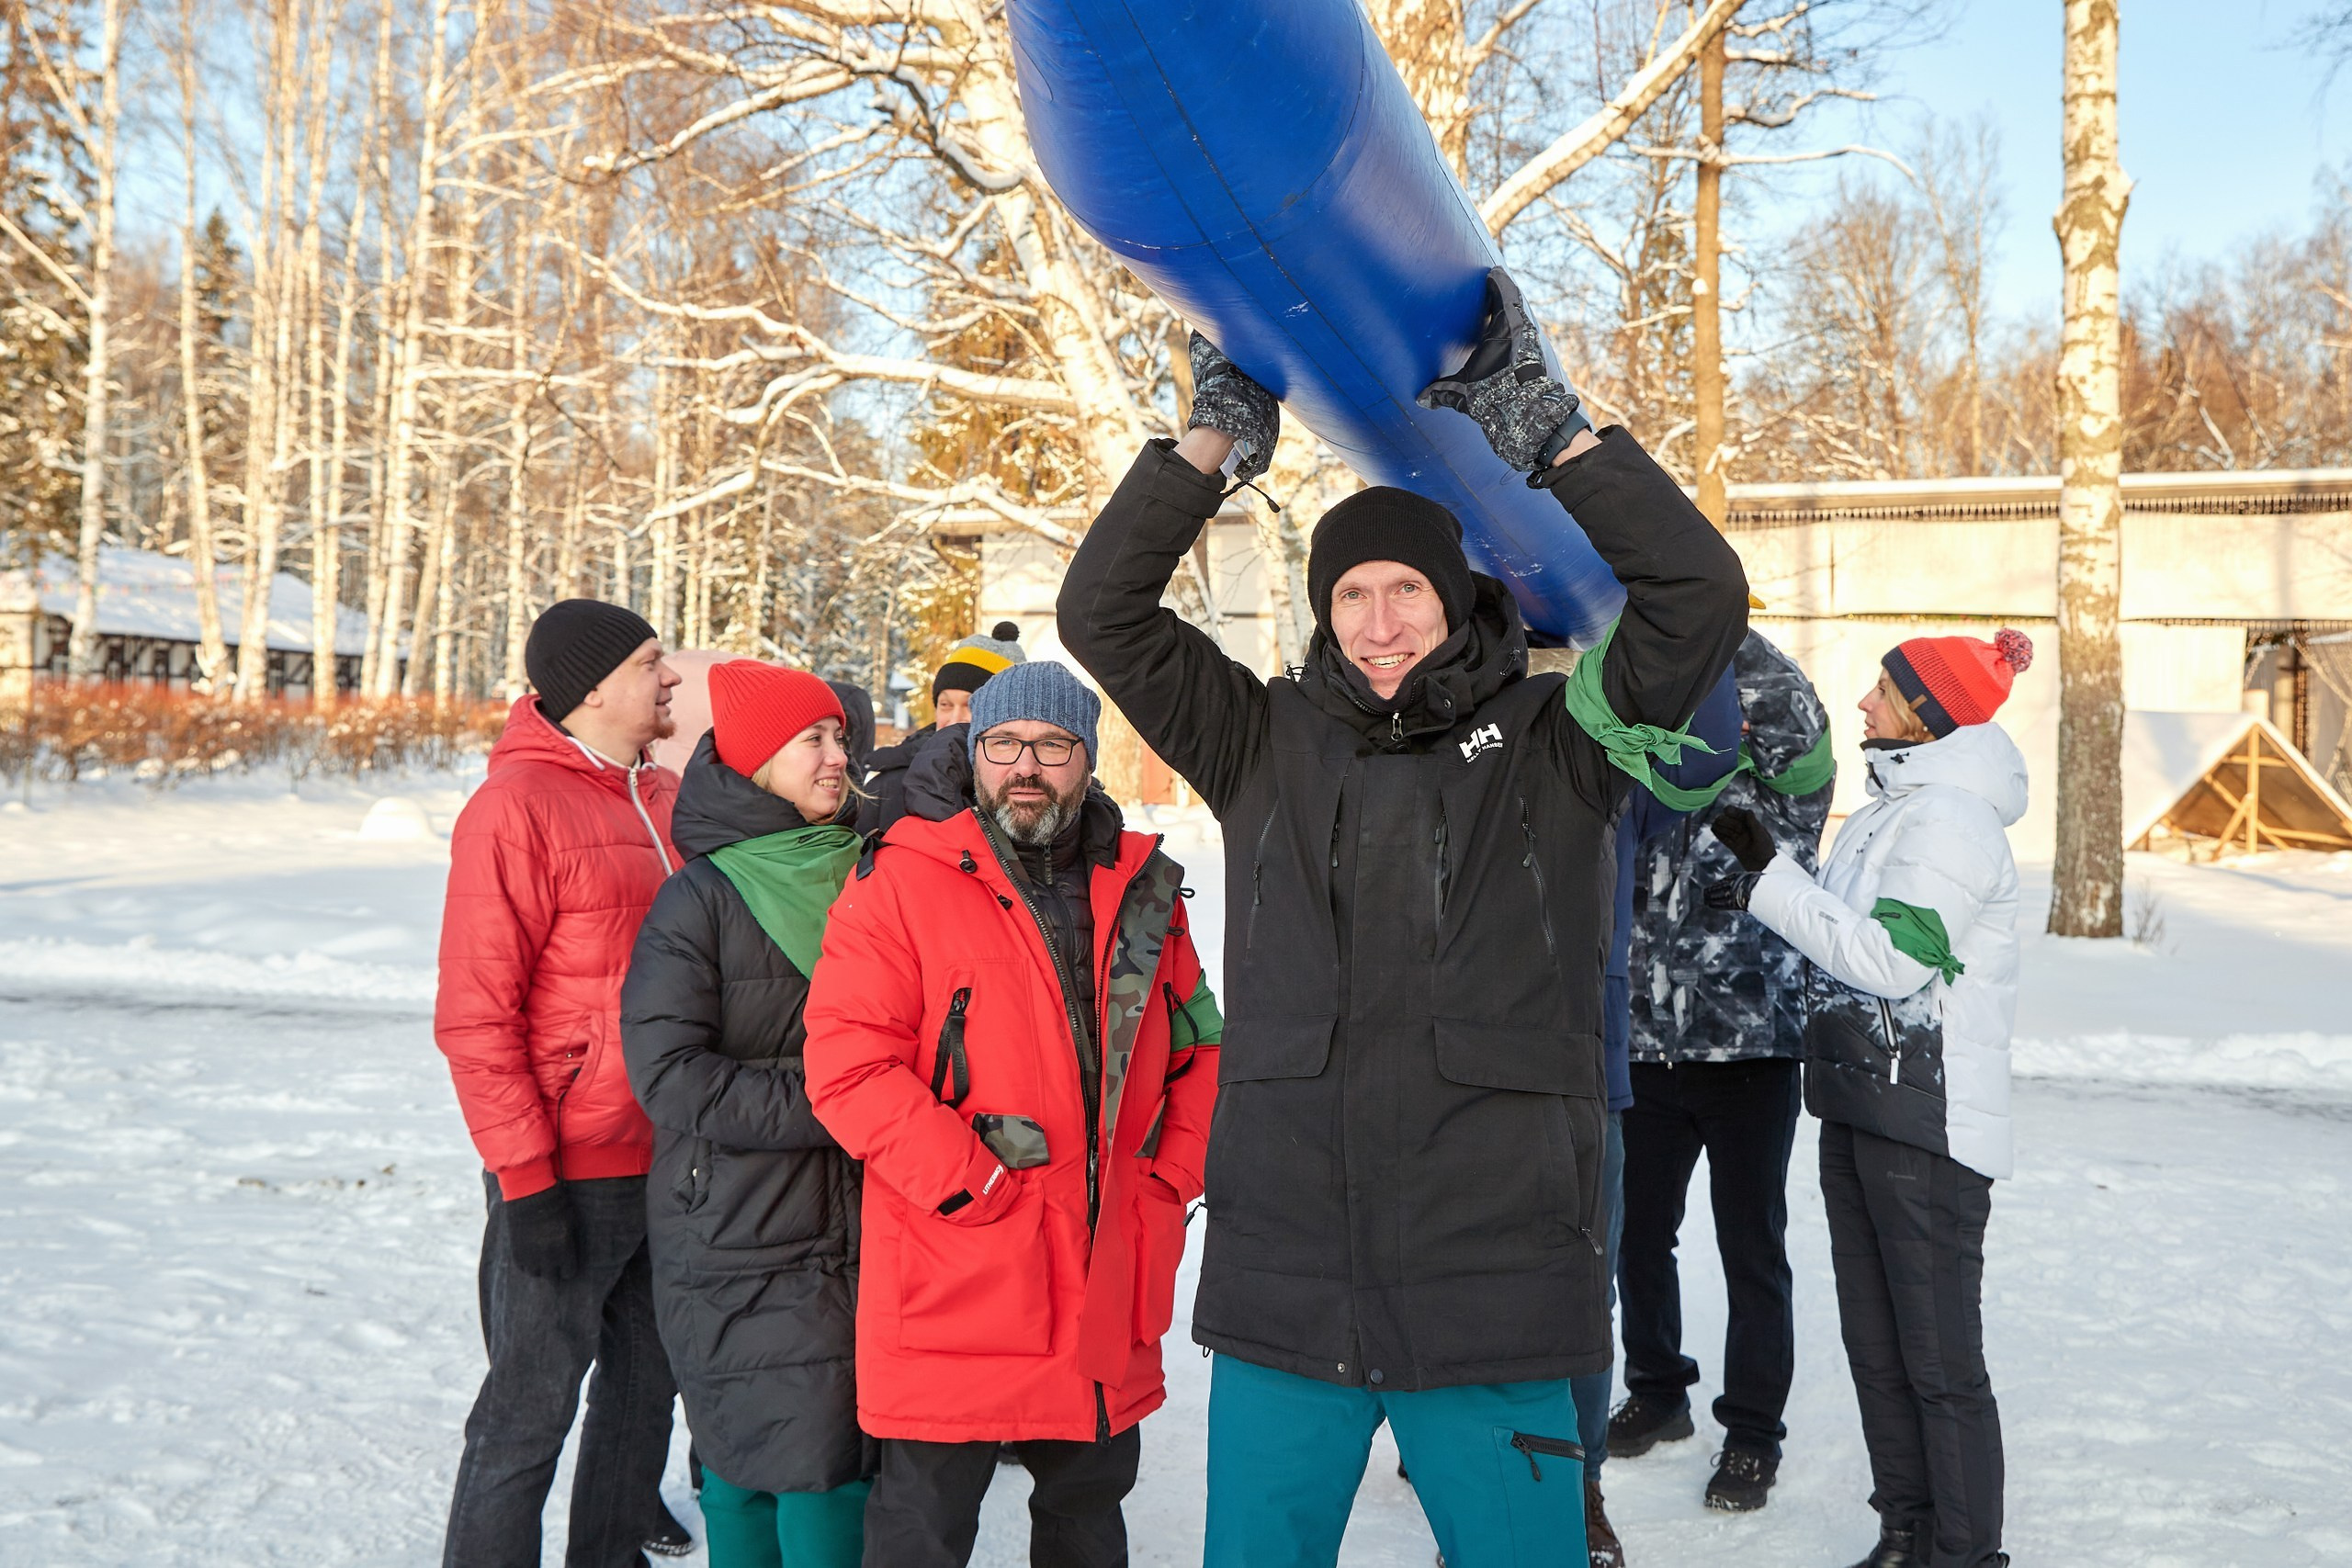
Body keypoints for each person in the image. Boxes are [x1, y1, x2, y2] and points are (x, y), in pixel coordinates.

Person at [1057, 268, 1750, 1567]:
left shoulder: (1561, 738)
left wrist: (1550, 432)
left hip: (1494, 1282)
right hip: (1289, 1287)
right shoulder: (1258, 738)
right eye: (1352, 596)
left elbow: (1699, 597)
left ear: (1454, 599)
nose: (1380, 625)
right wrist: (1214, 443)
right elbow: (1101, 613)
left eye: (1407, 593)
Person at [802, 660, 1223, 1568]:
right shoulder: (903, 881)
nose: (1025, 765)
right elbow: (846, 1065)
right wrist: (970, 1181)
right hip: (960, 1273)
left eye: (1052, 745)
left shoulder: (1144, 891)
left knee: (1086, 1526)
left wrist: (1168, 1176)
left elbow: (1203, 1050)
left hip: (1104, 1277)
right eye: (1003, 743)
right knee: (920, 1535)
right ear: (974, 754)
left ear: (1087, 759)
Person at [1704, 628, 2032, 1568]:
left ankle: (1965, 1554)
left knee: (1937, 1362)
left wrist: (1772, 889)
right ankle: (1906, 1534)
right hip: (1863, 1098)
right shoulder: (1894, 810)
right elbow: (1843, 929)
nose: (1863, 702)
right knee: (1879, 1350)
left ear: (1925, 713)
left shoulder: (1950, 823)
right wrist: (1771, 872)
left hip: (1926, 1120)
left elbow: (1889, 961)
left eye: (1884, 691)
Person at [435, 598, 685, 1568]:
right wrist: (526, 1180)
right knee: (529, 1409)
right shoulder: (516, 807)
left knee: (644, 1394)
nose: (670, 677)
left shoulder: (664, 796)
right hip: (568, 1170)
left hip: (671, 1157)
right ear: (592, 688)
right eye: (651, 662)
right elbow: (476, 1017)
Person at [620, 662, 877, 1568]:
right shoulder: (701, 896)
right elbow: (670, 1074)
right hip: (736, 1223)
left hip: (860, 1219)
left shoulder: (872, 868)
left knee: (829, 1455)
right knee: (762, 1458)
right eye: (813, 739)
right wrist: (845, 1100)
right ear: (759, 760)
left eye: (840, 736)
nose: (838, 756)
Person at [1606, 631, 1835, 1519]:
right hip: (1644, 1052)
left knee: (1751, 1248)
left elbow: (1792, 713)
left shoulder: (1782, 795)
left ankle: (1753, 1433)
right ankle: (1659, 1390)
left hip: (1751, 1054)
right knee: (1636, 1238)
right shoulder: (1638, 784)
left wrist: (1705, 618)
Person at [1575, 666, 1744, 1568]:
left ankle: (1578, 1491)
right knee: (1462, 1282)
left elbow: (1707, 751)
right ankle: (1473, 1475)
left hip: (1582, 1071)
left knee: (1579, 1293)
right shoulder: (1447, 743)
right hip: (1450, 1070)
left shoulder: (1611, 769)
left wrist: (1660, 610)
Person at [858, 624, 1025, 834]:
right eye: (945, 705)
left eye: (970, 705)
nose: (954, 719)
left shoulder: (1026, 786)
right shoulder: (887, 788)